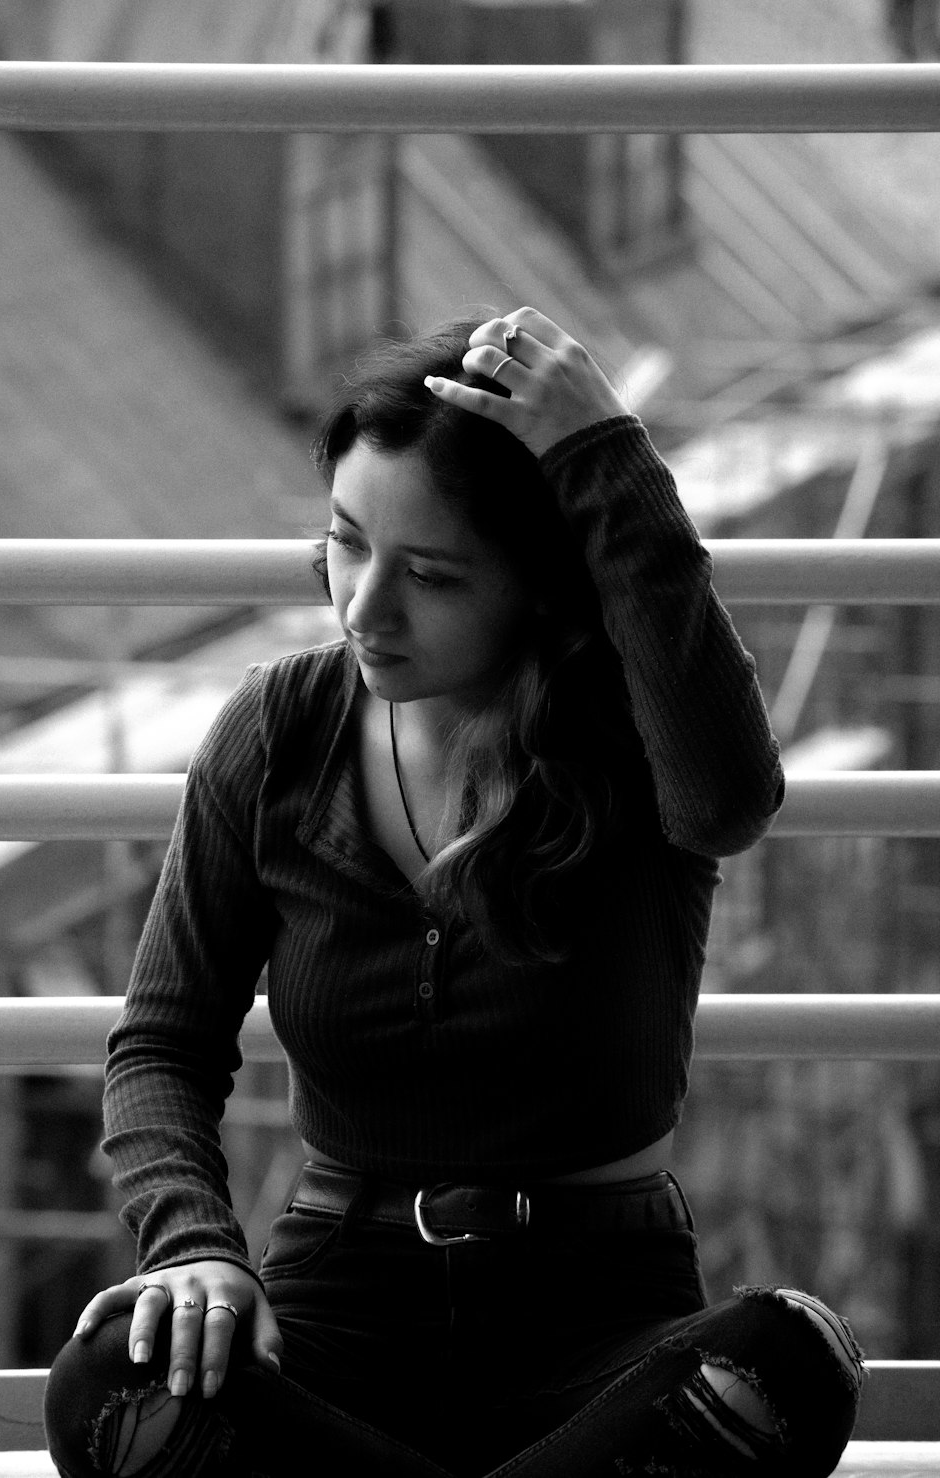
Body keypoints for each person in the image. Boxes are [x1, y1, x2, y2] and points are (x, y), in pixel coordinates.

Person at [44, 308, 863, 1478]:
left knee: (792, 1356)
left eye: (428, 573)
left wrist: (605, 454)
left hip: (601, 1314)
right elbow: (162, 1043)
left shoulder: (640, 734)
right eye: (344, 541)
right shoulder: (278, 731)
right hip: (335, 1305)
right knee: (111, 1380)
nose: (364, 606)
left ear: (538, 588)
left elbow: (733, 800)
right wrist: (193, 1246)